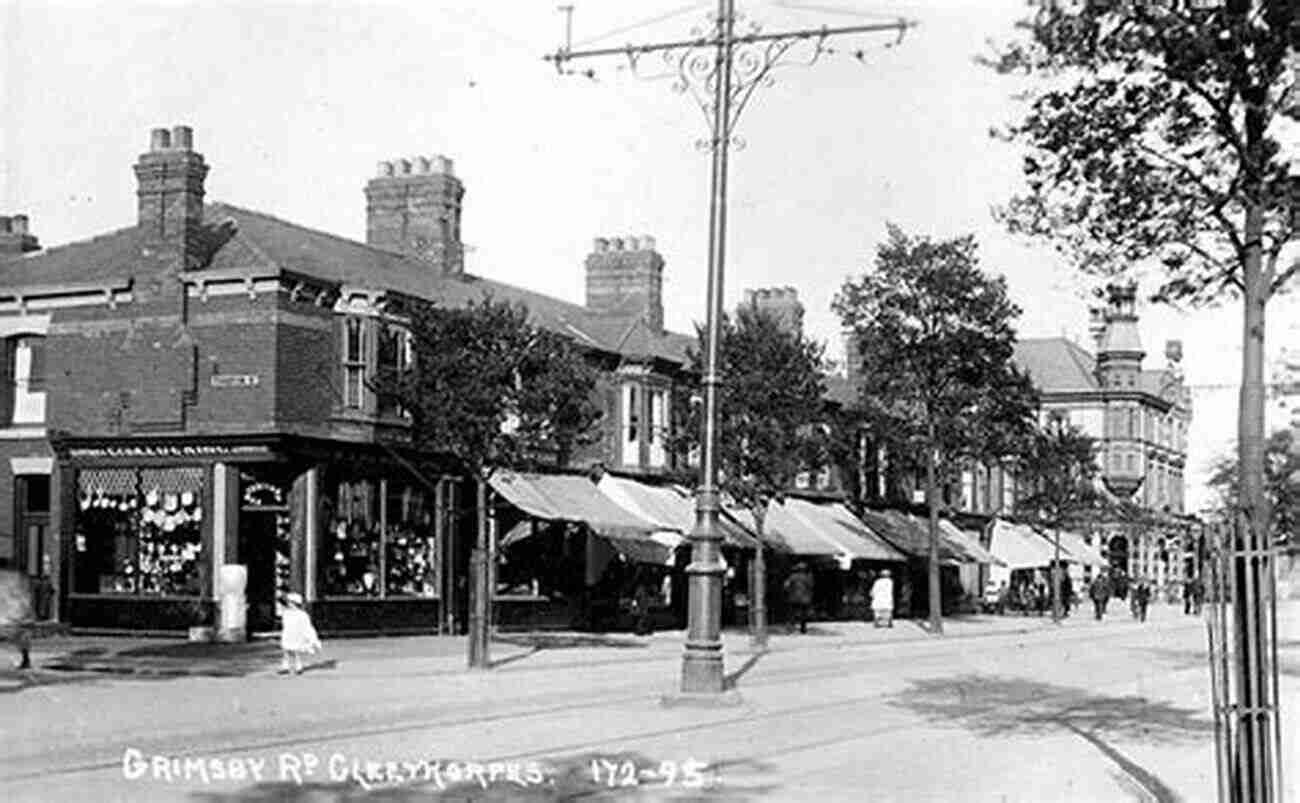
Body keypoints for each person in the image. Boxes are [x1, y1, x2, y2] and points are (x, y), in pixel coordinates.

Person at [279, 592, 321, 675]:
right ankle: (285, 666)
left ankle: (298, 666)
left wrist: (310, 637)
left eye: (291, 603)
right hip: (288, 634)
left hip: (296, 635)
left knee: (295, 651)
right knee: (286, 651)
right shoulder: (287, 613)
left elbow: (306, 626)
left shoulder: (302, 614)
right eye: (289, 603)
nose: (289, 605)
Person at [0, 570, 35, 670]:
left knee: (23, 640)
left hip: (20, 620)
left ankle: (26, 661)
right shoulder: (19, 594)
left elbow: (25, 607)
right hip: (18, 619)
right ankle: (26, 660)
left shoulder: (20, 596)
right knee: (22, 640)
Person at [783, 563, 814, 635]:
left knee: (792, 614)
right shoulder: (807, 577)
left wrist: (790, 591)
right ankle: (803, 629)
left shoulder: (792, 577)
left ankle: (791, 629)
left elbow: (786, 586)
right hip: (805, 599)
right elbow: (811, 586)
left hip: (793, 598)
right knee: (804, 614)